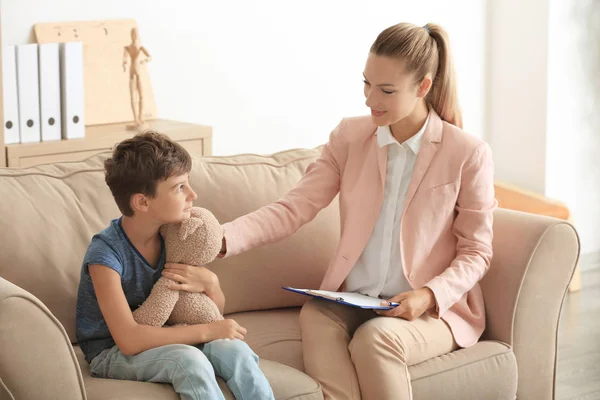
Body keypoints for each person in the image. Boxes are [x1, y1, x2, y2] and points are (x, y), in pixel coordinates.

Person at [218, 22, 497, 400]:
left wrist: (427, 295)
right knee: (316, 316)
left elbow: (476, 252)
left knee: (375, 339)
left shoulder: (467, 152)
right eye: (366, 83)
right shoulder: (350, 137)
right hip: (356, 299)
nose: (370, 99)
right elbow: (294, 207)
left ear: (423, 87)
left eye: (386, 90)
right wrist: (222, 238)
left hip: (433, 309)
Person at [75, 131, 275, 400]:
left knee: (235, 351)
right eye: (180, 187)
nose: (193, 194)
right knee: (187, 360)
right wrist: (207, 332)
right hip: (111, 352)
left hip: (172, 332)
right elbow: (128, 340)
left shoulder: (175, 234)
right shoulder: (105, 255)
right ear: (142, 202)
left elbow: (208, 312)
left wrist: (211, 284)